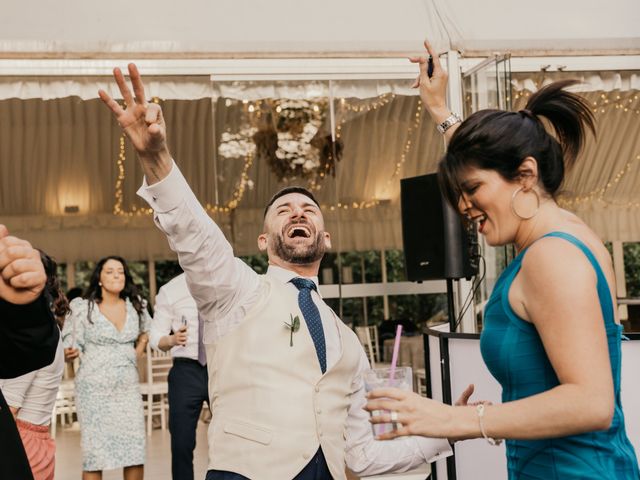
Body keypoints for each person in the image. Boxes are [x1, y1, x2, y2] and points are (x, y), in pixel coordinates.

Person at [99, 64, 452, 480]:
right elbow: (194, 233)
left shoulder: (347, 341)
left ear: (326, 238)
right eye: (284, 210)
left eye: (309, 211)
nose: (298, 212)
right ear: (264, 241)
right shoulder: (236, 292)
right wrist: (155, 157)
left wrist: (450, 433)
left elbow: (360, 456)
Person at [365, 41, 640, 479]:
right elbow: (491, 167)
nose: (463, 206)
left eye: (471, 191)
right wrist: (442, 113)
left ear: (526, 175)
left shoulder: (550, 258)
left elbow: (591, 402)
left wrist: (453, 420)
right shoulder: (565, 234)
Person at [61, 256, 151, 480]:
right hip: (94, 390)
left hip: (127, 388)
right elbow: (70, 341)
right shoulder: (84, 308)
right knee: (95, 455)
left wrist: (137, 350)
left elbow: (148, 330)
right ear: (99, 278)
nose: (116, 275)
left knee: (134, 450)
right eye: (109, 271)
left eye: (120, 271)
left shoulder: (137, 305)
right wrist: (70, 351)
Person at [0, 251, 68, 480]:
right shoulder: (46, 331)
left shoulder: (28, 337)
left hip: (19, 443)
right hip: (34, 441)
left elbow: (8, 408)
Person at [150, 272, 209, 480]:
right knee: (182, 443)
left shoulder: (227, 281)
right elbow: (155, 337)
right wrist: (172, 339)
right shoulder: (170, 290)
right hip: (185, 372)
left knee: (230, 438)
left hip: (221, 366)